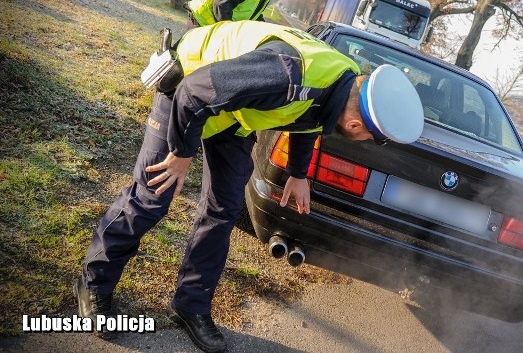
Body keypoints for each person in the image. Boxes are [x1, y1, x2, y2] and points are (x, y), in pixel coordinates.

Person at [74, 21, 423, 352]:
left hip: (231, 114)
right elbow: (193, 93)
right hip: (185, 88)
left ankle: (190, 304)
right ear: (356, 123)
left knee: (223, 209)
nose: (360, 139)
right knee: (152, 196)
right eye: (365, 136)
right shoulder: (286, 74)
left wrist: (298, 174)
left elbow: (308, 120)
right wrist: (182, 155)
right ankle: (94, 284)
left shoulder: (343, 82)